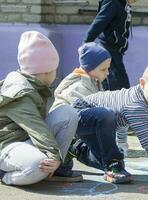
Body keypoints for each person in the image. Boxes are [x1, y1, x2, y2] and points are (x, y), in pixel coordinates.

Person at [72, 60, 148, 185]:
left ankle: (75, 148)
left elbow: (122, 120)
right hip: (78, 115)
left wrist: (122, 143)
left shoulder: (136, 96)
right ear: (143, 83)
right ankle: (77, 145)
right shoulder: (135, 106)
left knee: (116, 162)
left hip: (89, 122)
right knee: (113, 159)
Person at [0, 31, 79, 185]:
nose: (56, 74)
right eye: (55, 70)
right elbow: (37, 128)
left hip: (23, 139)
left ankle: (56, 168)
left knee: (68, 113)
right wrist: (54, 156)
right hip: (7, 146)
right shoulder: (20, 92)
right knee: (38, 166)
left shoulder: (33, 83)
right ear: (46, 71)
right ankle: (4, 175)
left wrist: (54, 158)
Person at [51, 42, 131, 184]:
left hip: (77, 127)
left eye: (108, 68)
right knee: (106, 115)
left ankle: (75, 148)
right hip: (65, 125)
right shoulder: (77, 86)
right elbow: (75, 115)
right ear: (90, 68)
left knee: (108, 157)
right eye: (103, 69)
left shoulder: (93, 81)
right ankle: (112, 164)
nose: (107, 73)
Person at [83, 0, 139, 91]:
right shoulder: (113, 2)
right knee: (120, 86)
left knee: (109, 83)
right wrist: (86, 43)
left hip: (116, 49)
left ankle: (108, 101)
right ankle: (120, 103)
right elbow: (99, 21)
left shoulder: (123, 3)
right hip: (109, 48)